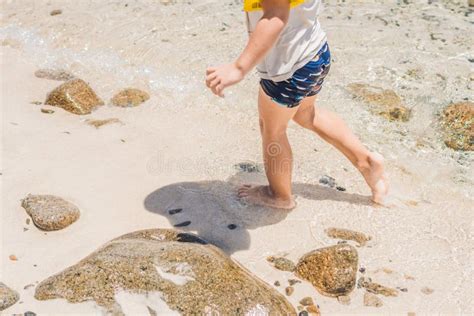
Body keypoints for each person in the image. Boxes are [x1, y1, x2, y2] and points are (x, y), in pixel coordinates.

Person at [205, 0, 388, 209]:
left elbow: (275, 17)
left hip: (287, 69)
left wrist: (238, 68)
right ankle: (366, 162)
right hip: (314, 53)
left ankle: (279, 195)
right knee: (305, 113)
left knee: (272, 130)